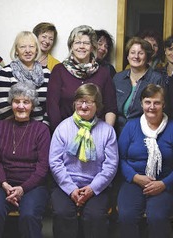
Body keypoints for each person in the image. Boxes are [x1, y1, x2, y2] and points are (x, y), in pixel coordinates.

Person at [0, 82, 51, 238]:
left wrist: (22, 188)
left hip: (33, 186)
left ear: (32, 106)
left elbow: (43, 166)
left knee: (29, 214)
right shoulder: (0, 127)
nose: (21, 106)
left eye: (26, 102)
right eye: (16, 101)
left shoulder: (42, 130)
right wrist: (5, 184)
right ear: (11, 103)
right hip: (2, 184)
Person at [49, 83, 118, 238]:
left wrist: (92, 188)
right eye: (80, 101)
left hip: (96, 186)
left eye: (89, 101)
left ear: (98, 105)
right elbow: (55, 162)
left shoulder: (107, 131)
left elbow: (110, 166)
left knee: (95, 216)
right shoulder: (63, 128)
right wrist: (71, 189)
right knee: (63, 213)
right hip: (65, 185)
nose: (84, 105)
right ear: (74, 103)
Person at [117, 84, 173, 238]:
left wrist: (164, 183)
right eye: (148, 102)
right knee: (126, 216)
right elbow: (120, 158)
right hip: (134, 181)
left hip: (164, 184)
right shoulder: (131, 126)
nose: (152, 107)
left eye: (157, 102)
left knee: (157, 217)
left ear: (164, 104)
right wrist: (135, 177)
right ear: (141, 103)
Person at [47, 25, 118, 130]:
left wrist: (105, 134)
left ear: (93, 47)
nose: (81, 46)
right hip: (66, 132)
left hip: (96, 132)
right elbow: (52, 107)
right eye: (77, 42)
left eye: (86, 43)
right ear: (71, 46)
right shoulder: (59, 70)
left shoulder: (103, 73)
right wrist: (62, 133)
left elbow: (110, 107)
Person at [0, 31, 50, 124]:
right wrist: (24, 125)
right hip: (14, 127)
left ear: (37, 49)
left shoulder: (47, 73)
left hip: (41, 128)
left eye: (31, 46)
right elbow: (3, 107)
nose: (28, 50)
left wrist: (43, 126)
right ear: (16, 51)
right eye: (22, 47)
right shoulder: (6, 72)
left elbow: (51, 105)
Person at [113, 37, 163, 134]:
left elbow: (161, 110)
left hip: (143, 132)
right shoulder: (118, 78)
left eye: (141, 53)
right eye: (132, 52)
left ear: (147, 57)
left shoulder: (156, 79)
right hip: (117, 131)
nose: (136, 56)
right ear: (127, 56)